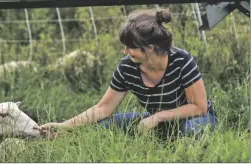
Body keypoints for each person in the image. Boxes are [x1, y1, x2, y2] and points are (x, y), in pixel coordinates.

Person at [34, 9, 218, 139]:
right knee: (103, 126)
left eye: (130, 47)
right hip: (157, 122)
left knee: (193, 131)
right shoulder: (127, 67)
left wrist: (157, 116)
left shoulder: (182, 60)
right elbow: (102, 109)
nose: (125, 52)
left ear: (150, 48)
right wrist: (64, 125)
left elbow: (199, 107)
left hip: (194, 118)